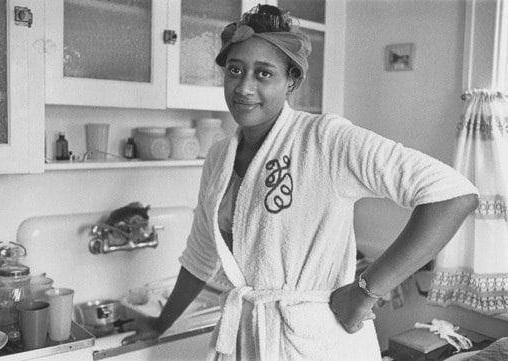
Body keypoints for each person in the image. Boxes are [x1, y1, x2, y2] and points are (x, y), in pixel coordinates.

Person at [122, 5, 479, 361]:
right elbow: (201, 255)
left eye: (263, 74)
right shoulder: (219, 156)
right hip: (251, 338)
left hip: (315, 344)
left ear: (291, 81)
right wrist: (161, 324)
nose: (244, 87)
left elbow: (452, 195)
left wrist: (367, 290)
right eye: (235, 70)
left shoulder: (325, 139)